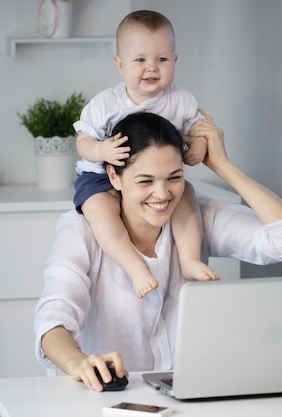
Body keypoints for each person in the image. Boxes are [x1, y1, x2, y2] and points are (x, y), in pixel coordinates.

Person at [34, 110, 282, 392]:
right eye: (145, 181)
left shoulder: (196, 215)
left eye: (174, 177)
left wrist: (222, 165)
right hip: (114, 403)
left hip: (193, 396)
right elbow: (53, 322)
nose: (163, 194)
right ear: (114, 177)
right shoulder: (81, 230)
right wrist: (77, 362)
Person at [73, 10, 217, 299]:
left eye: (162, 59)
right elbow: (82, 140)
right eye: (140, 60)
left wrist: (199, 146)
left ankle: (189, 259)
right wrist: (101, 150)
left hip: (154, 179)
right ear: (120, 65)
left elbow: (200, 129)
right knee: (100, 212)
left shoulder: (181, 100)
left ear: (174, 61)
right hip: (100, 176)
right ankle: (134, 266)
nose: (151, 68)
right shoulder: (106, 104)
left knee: (187, 196)